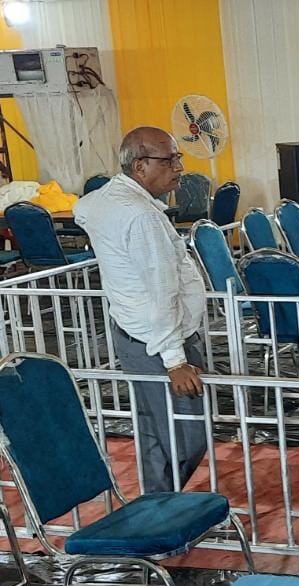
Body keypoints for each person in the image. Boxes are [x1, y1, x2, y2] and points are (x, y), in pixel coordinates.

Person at [74, 127, 208, 493]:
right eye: (170, 160)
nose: (179, 167)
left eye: (178, 158)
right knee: (188, 435)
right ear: (140, 166)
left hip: (135, 335)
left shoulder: (106, 200)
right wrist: (175, 361)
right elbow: (161, 290)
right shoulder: (140, 217)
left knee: (153, 428)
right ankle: (165, 505)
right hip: (160, 342)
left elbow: (81, 209)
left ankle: (157, 502)